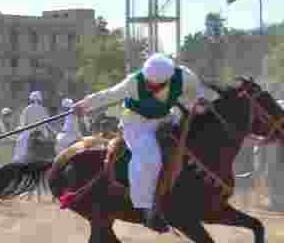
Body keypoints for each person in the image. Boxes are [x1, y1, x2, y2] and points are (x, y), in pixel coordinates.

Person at [73, 53, 207, 232]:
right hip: (136, 123)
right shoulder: (134, 81)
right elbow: (109, 95)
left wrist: (198, 103)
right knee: (148, 157)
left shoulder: (184, 76)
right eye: (147, 81)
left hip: (165, 119)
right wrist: (84, 105)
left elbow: (196, 93)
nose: (149, 86)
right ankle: (146, 210)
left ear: (168, 79)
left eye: (154, 85)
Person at [13, 91, 51, 162]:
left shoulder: (27, 109)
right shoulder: (43, 109)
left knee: (19, 144)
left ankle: (18, 160)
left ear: (31, 99)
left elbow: (23, 123)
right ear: (40, 99)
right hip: (41, 133)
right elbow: (47, 123)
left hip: (29, 133)